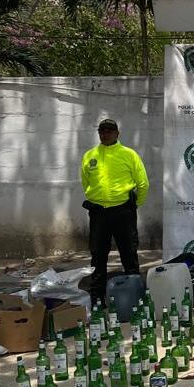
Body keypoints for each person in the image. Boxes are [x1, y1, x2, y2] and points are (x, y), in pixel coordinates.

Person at [80, 118, 149, 303]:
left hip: (123, 213)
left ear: (117, 134)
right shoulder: (89, 156)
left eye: (110, 131)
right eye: (102, 131)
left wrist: (135, 205)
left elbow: (143, 184)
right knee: (98, 257)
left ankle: (136, 298)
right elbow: (86, 182)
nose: (106, 134)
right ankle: (97, 299)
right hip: (98, 214)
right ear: (99, 134)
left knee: (129, 254)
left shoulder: (129, 155)